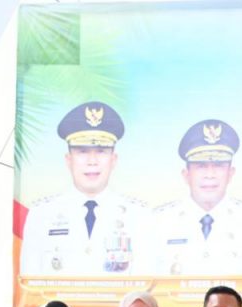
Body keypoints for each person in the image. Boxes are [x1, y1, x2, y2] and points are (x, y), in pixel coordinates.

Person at [20, 102, 150, 276]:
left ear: (113, 160)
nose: (92, 161)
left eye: (101, 151)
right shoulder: (42, 214)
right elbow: (29, 284)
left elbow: (145, 285)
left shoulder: (139, 216)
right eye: (82, 151)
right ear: (68, 160)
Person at [154, 119, 242, 276]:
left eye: (218, 165)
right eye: (201, 166)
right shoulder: (160, 220)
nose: (210, 175)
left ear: (230, 173)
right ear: (186, 175)